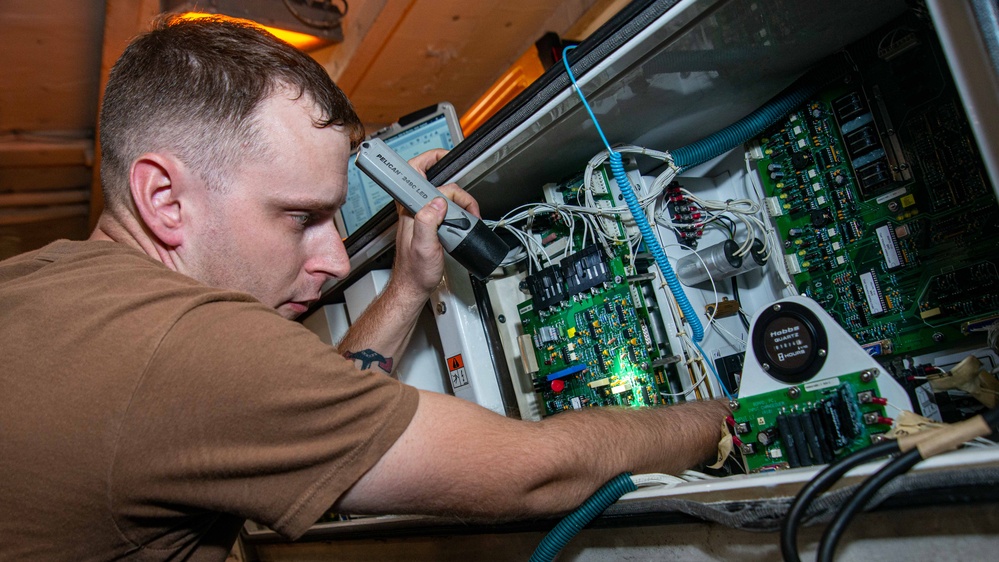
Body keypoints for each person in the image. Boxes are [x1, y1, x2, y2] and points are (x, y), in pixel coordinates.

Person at [0, 15, 730, 561]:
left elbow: (320, 407)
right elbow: (532, 476)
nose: (330, 261)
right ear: (164, 198)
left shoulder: (45, 288)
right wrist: (713, 420)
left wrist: (411, 284)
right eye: (300, 216)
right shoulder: (183, 350)